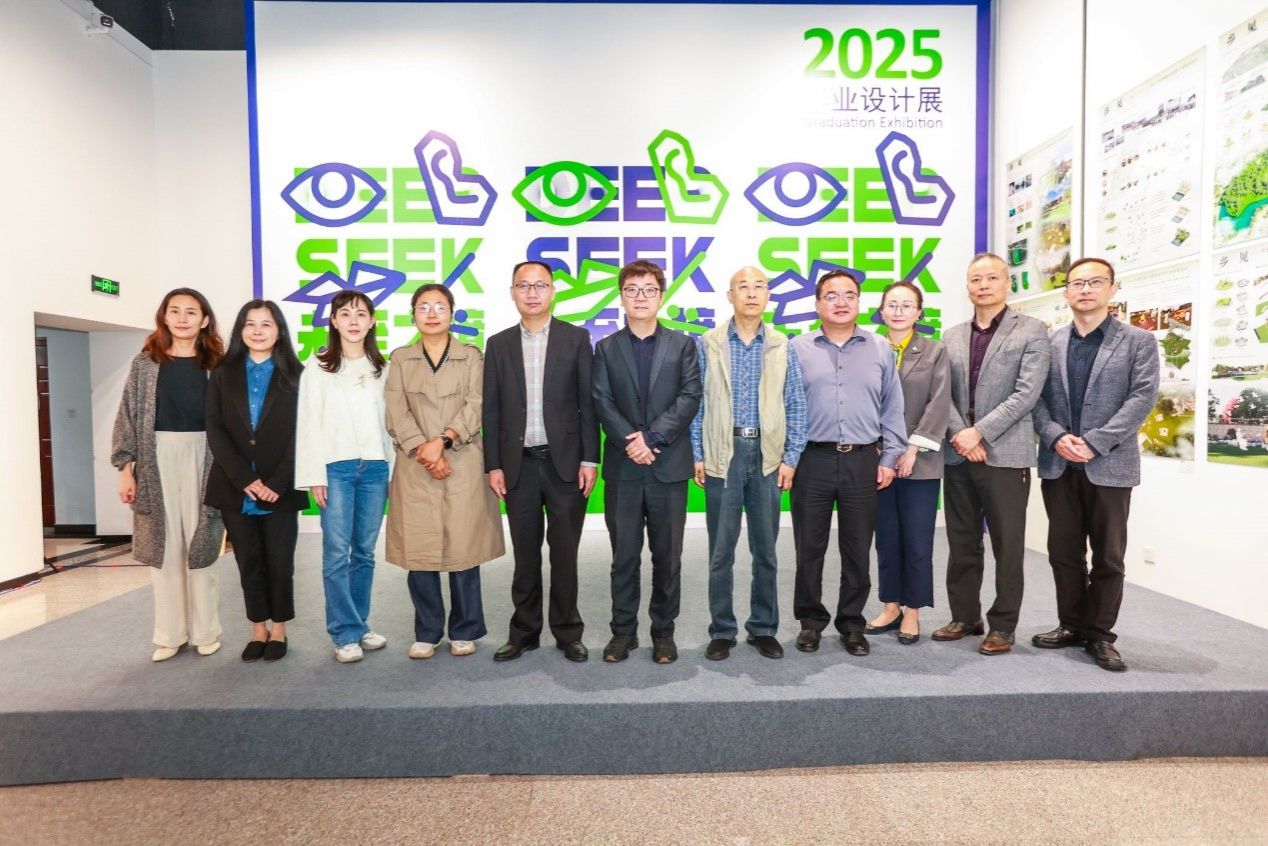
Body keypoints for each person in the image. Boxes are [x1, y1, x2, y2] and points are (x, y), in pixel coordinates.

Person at [1031, 258, 1159, 672]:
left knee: (1108, 556)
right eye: (1077, 283)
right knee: (1063, 552)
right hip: (1059, 462)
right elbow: (1037, 400)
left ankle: (1100, 634)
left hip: (1110, 464)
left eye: (1095, 282)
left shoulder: (1138, 341)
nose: (1085, 290)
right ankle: (1071, 624)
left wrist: (1095, 442)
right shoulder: (1050, 342)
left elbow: (1141, 399)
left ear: (1112, 289)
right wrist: (1055, 436)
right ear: (1066, 292)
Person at [933, 252, 1050, 655]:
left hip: (1006, 455)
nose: (983, 285)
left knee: (1007, 545)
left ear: (1007, 283)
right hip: (959, 455)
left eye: (992, 278)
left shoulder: (1032, 330)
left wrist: (979, 432)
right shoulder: (950, 336)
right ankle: (965, 616)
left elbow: (1027, 394)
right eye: (975, 279)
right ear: (967, 287)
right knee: (962, 541)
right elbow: (942, 394)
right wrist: (960, 435)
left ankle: (1003, 625)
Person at [690, 266, 806, 661]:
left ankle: (762, 628)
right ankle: (722, 630)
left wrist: (791, 457)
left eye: (759, 286)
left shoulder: (781, 344)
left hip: (767, 456)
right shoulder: (708, 343)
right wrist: (698, 453)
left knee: (766, 551)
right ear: (730, 296)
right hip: (723, 453)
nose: (752, 293)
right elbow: (697, 403)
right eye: (743, 286)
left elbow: (796, 403)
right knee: (720, 551)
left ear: (768, 295)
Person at [484, 261, 598, 663]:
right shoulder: (498, 344)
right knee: (525, 555)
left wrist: (590, 459)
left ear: (553, 291)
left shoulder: (576, 338)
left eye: (540, 285)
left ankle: (568, 632)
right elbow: (491, 410)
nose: (532, 293)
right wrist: (493, 464)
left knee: (565, 554)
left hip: (564, 465)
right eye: (523, 286)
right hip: (518, 466)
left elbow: (588, 404)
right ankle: (524, 633)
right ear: (512, 292)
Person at [789, 269, 907, 657]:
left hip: (862, 461)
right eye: (831, 296)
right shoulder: (797, 348)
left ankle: (852, 623)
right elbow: (784, 406)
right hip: (812, 459)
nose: (841, 302)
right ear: (817, 304)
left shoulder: (880, 348)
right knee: (809, 547)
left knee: (857, 548)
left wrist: (889, 457)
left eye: (849, 295)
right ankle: (810, 622)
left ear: (859, 302)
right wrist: (786, 457)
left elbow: (892, 407)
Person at [385, 284, 505, 660]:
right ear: (413, 316)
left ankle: (465, 629)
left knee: (463, 550)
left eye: (440, 306)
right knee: (419, 550)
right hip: (416, 463)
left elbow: (478, 403)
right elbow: (395, 410)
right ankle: (427, 631)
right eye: (424, 307)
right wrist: (425, 449)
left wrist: (444, 440)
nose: (432, 313)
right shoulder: (401, 359)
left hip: (463, 459)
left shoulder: (471, 356)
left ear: (452, 314)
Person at [592, 259, 701, 664]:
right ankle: (623, 633)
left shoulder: (682, 345)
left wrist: (652, 438)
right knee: (623, 557)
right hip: (623, 469)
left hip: (668, 467)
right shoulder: (606, 347)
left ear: (661, 295)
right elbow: (601, 400)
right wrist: (631, 442)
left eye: (649, 289)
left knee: (667, 557)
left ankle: (663, 633)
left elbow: (690, 396)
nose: (640, 297)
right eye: (632, 290)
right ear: (621, 297)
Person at [112, 288, 225, 662]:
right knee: (165, 549)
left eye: (191, 312)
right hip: (155, 457)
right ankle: (170, 634)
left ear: (204, 320)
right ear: (164, 317)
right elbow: (127, 417)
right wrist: (126, 471)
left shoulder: (217, 364)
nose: (182, 318)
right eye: (174, 311)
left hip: (205, 456)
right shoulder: (145, 363)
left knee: (201, 545)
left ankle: (206, 631)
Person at [204, 299, 309, 662]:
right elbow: (215, 428)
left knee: (280, 561)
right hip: (236, 487)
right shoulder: (222, 373)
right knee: (248, 562)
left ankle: (279, 629)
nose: (258, 331)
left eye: (266, 324)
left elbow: (302, 433)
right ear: (240, 330)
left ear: (279, 331)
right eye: (250, 324)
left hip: (282, 488)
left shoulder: (297, 374)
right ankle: (257, 630)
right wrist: (245, 478)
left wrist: (277, 482)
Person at [295, 289, 394, 664]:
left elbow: (389, 426)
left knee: (364, 553)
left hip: (375, 468)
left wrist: (392, 471)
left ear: (372, 321)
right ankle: (343, 632)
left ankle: (360, 623)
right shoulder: (318, 367)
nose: (353, 321)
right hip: (335, 469)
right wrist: (314, 475)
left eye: (361, 314)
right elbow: (308, 424)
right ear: (333, 321)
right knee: (337, 553)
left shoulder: (382, 368)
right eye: (345, 314)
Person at [865, 281, 951, 645]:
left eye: (906, 305)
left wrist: (912, 448)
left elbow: (940, 402)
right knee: (886, 537)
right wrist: (880, 450)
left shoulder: (934, 351)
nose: (898, 311)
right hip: (877, 459)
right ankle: (890, 605)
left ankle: (913, 610)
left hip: (921, 461)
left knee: (917, 539)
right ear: (881, 311)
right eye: (892, 304)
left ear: (919, 312)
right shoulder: (868, 347)